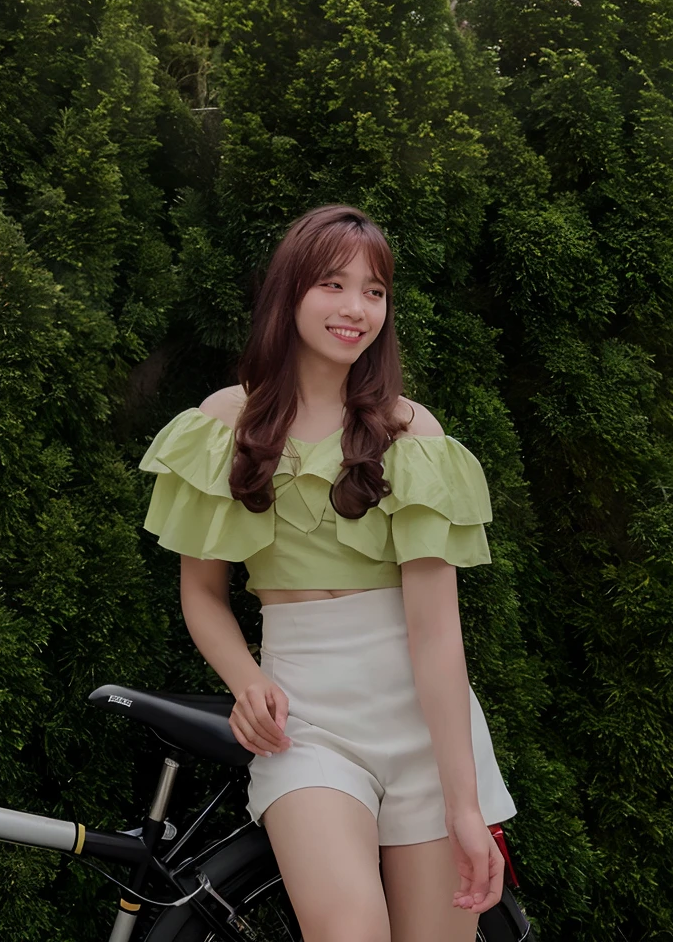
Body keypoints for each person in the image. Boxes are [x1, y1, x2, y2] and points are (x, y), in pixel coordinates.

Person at [139, 205, 516, 942]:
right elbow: (202, 595)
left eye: (374, 291)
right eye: (334, 285)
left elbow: (437, 633)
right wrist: (247, 680)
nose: (355, 309)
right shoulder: (225, 423)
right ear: (290, 294)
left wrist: (466, 806)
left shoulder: (414, 434)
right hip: (306, 726)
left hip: (424, 727)